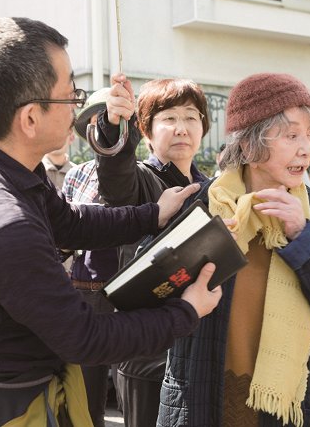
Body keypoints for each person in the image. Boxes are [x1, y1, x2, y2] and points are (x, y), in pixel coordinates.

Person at [0, 17, 223, 426]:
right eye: (69, 96)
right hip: (4, 406)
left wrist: (153, 213)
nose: (77, 107)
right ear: (29, 118)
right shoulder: (4, 224)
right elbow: (85, 338)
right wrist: (187, 312)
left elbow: (71, 222)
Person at [157, 73, 310, 427]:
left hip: (289, 406)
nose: (306, 149)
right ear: (248, 147)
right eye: (291, 135)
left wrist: (304, 237)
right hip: (202, 399)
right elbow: (153, 290)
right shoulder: (201, 207)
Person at [94, 75, 211, 427]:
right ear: (145, 130)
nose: (181, 128)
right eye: (169, 118)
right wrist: (115, 127)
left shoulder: (211, 187)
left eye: (191, 117)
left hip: (201, 340)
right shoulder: (142, 179)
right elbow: (116, 181)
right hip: (148, 348)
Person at [62, 87, 119, 427]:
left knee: (130, 391)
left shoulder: (140, 172)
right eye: (96, 124)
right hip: (83, 289)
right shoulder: (76, 174)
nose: (104, 132)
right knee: (84, 394)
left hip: (128, 288)